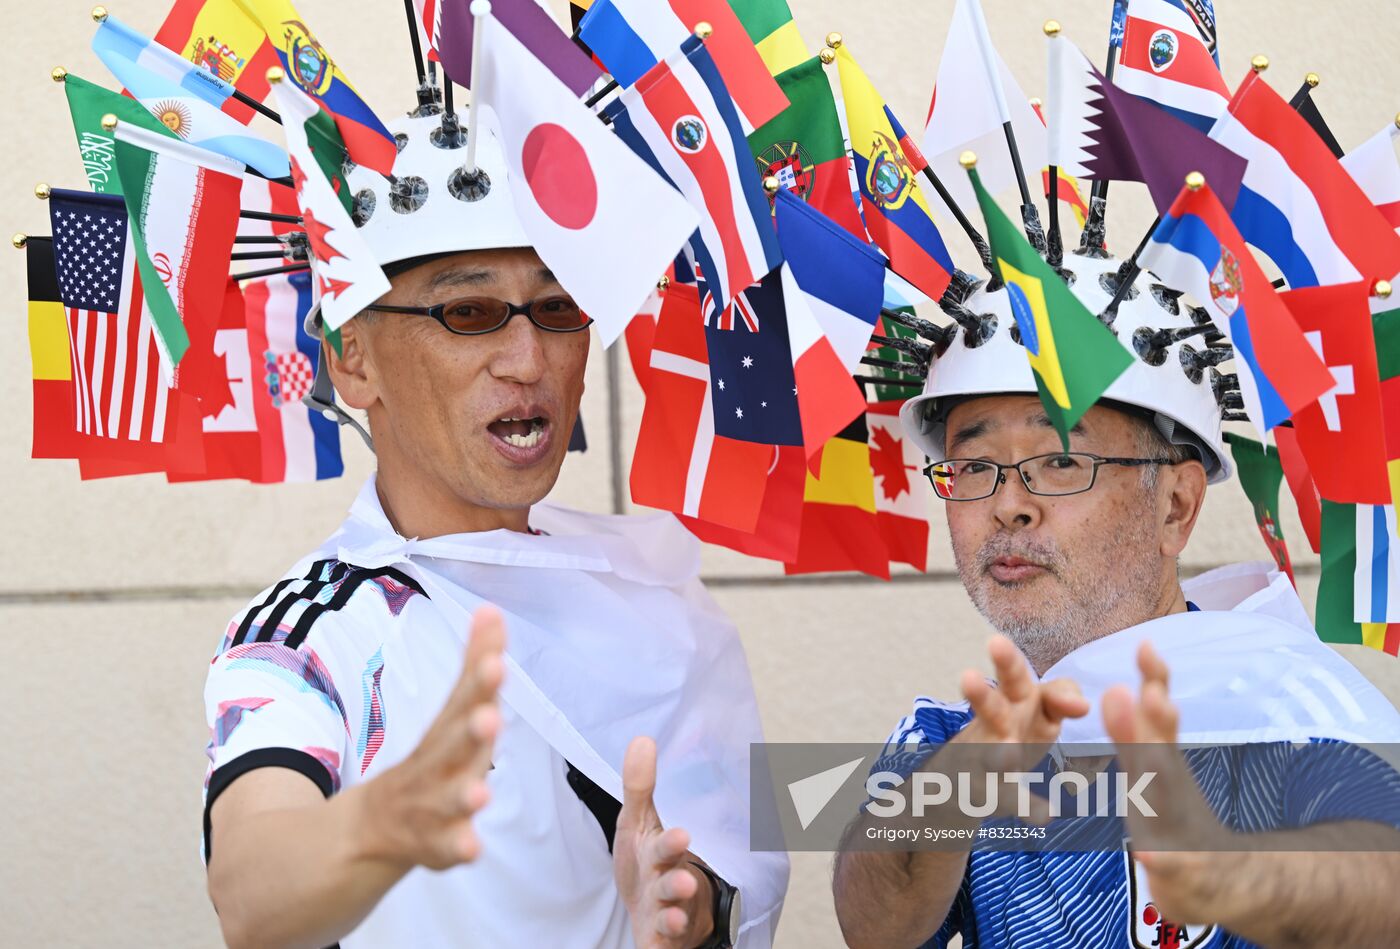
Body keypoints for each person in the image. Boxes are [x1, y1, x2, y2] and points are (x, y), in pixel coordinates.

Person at [201, 110, 786, 949]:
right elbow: (250, 888)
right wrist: (384, 819)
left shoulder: (654, 595)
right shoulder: (312, 631)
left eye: (557, 307)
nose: (529, 359)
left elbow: (745, 866)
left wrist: (689, 908)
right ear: (353, 358)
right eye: (469, 312)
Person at [832, 254, 1400, 948]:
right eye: (975, 467)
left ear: (1176, 505)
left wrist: (1243, 879)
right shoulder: (951, 736)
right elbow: (875, 929)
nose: (1009, 505)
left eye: (1061, 462)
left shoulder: (1287, 704)